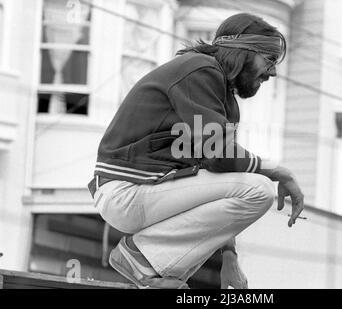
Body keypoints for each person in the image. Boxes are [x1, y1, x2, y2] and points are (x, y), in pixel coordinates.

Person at [87, 13, 304, 289]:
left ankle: (158, 276)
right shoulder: (201, 70)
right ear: (242, 51)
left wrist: (230, 257)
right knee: (260, 189)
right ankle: (140, 259)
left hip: (147, 192)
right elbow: (220, 155)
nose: (272, 72)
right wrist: (278, 171)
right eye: (269, 59)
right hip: (127, 191)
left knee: (252, 186)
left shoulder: (219, 94)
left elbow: (215, 178)